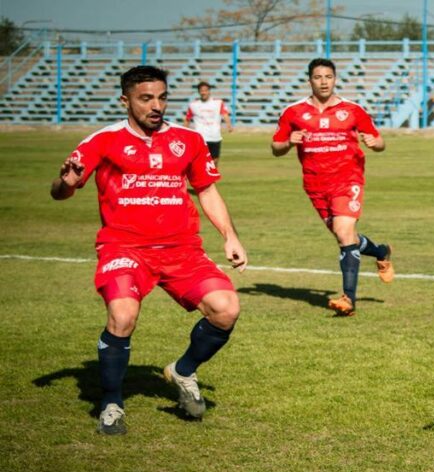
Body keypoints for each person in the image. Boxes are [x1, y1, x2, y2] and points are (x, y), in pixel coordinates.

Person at [50, 65, 248, 435]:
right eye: (146, 98)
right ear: (125, 100)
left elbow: (206, 189)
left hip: (181, 249)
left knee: (226, 310)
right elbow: (61, 190)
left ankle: (183, 371)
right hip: (124, 247)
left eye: (161, 97)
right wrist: (66, 183)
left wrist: (229, 236)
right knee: (122, 317)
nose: (156, 105)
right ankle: (111, 402)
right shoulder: (102, 140)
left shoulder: (188, 140)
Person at [271, 58, 393, 317]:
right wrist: (289, 142)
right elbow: (276, 148)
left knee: (342, 230)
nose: (324, 82)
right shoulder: (293, 112)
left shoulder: (352, 110)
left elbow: (380, 141)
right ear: (310, 80)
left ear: (335, 79)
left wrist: (374, 142)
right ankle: (381, 251)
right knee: (346, 237)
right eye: (318, 77)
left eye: (328, 76)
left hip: (348, 180)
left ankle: (348, 300)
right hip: (315, 184)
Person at [183, 81, 232, 167]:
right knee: (200, 160)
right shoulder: (193, 105)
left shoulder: (218, 103)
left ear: (209, 91)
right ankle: (201, 178)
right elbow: (187, 119)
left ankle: (211, 178)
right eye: (201, 90)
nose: (203, 92)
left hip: (214, 136)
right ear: (199, 92)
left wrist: (229, 126)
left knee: (214, 160)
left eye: (205, 90)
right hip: (200, 137)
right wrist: (183, 132)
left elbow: (225, 114)